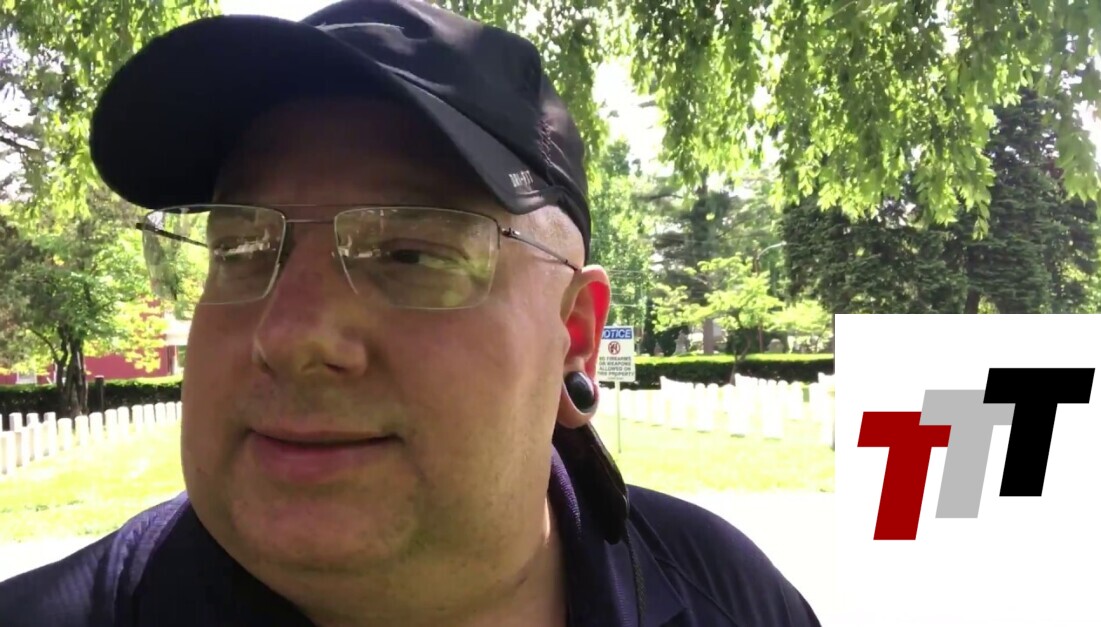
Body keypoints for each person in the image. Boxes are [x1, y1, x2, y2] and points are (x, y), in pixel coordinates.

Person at [0, 1, 823, 625]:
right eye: (241, 247)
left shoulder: (729, 598)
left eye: (409, 254)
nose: (290, 335)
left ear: (573, 333)